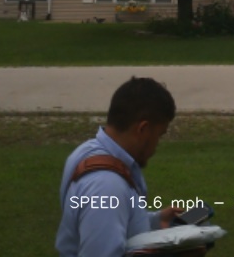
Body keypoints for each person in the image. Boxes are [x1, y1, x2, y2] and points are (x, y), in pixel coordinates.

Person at [56, 77, 196, 257]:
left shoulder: (85, 152)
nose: (157, 145)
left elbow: (111, 219)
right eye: (159, 135)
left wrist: (155, 221)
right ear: (142, 129)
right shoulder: (106, 187)